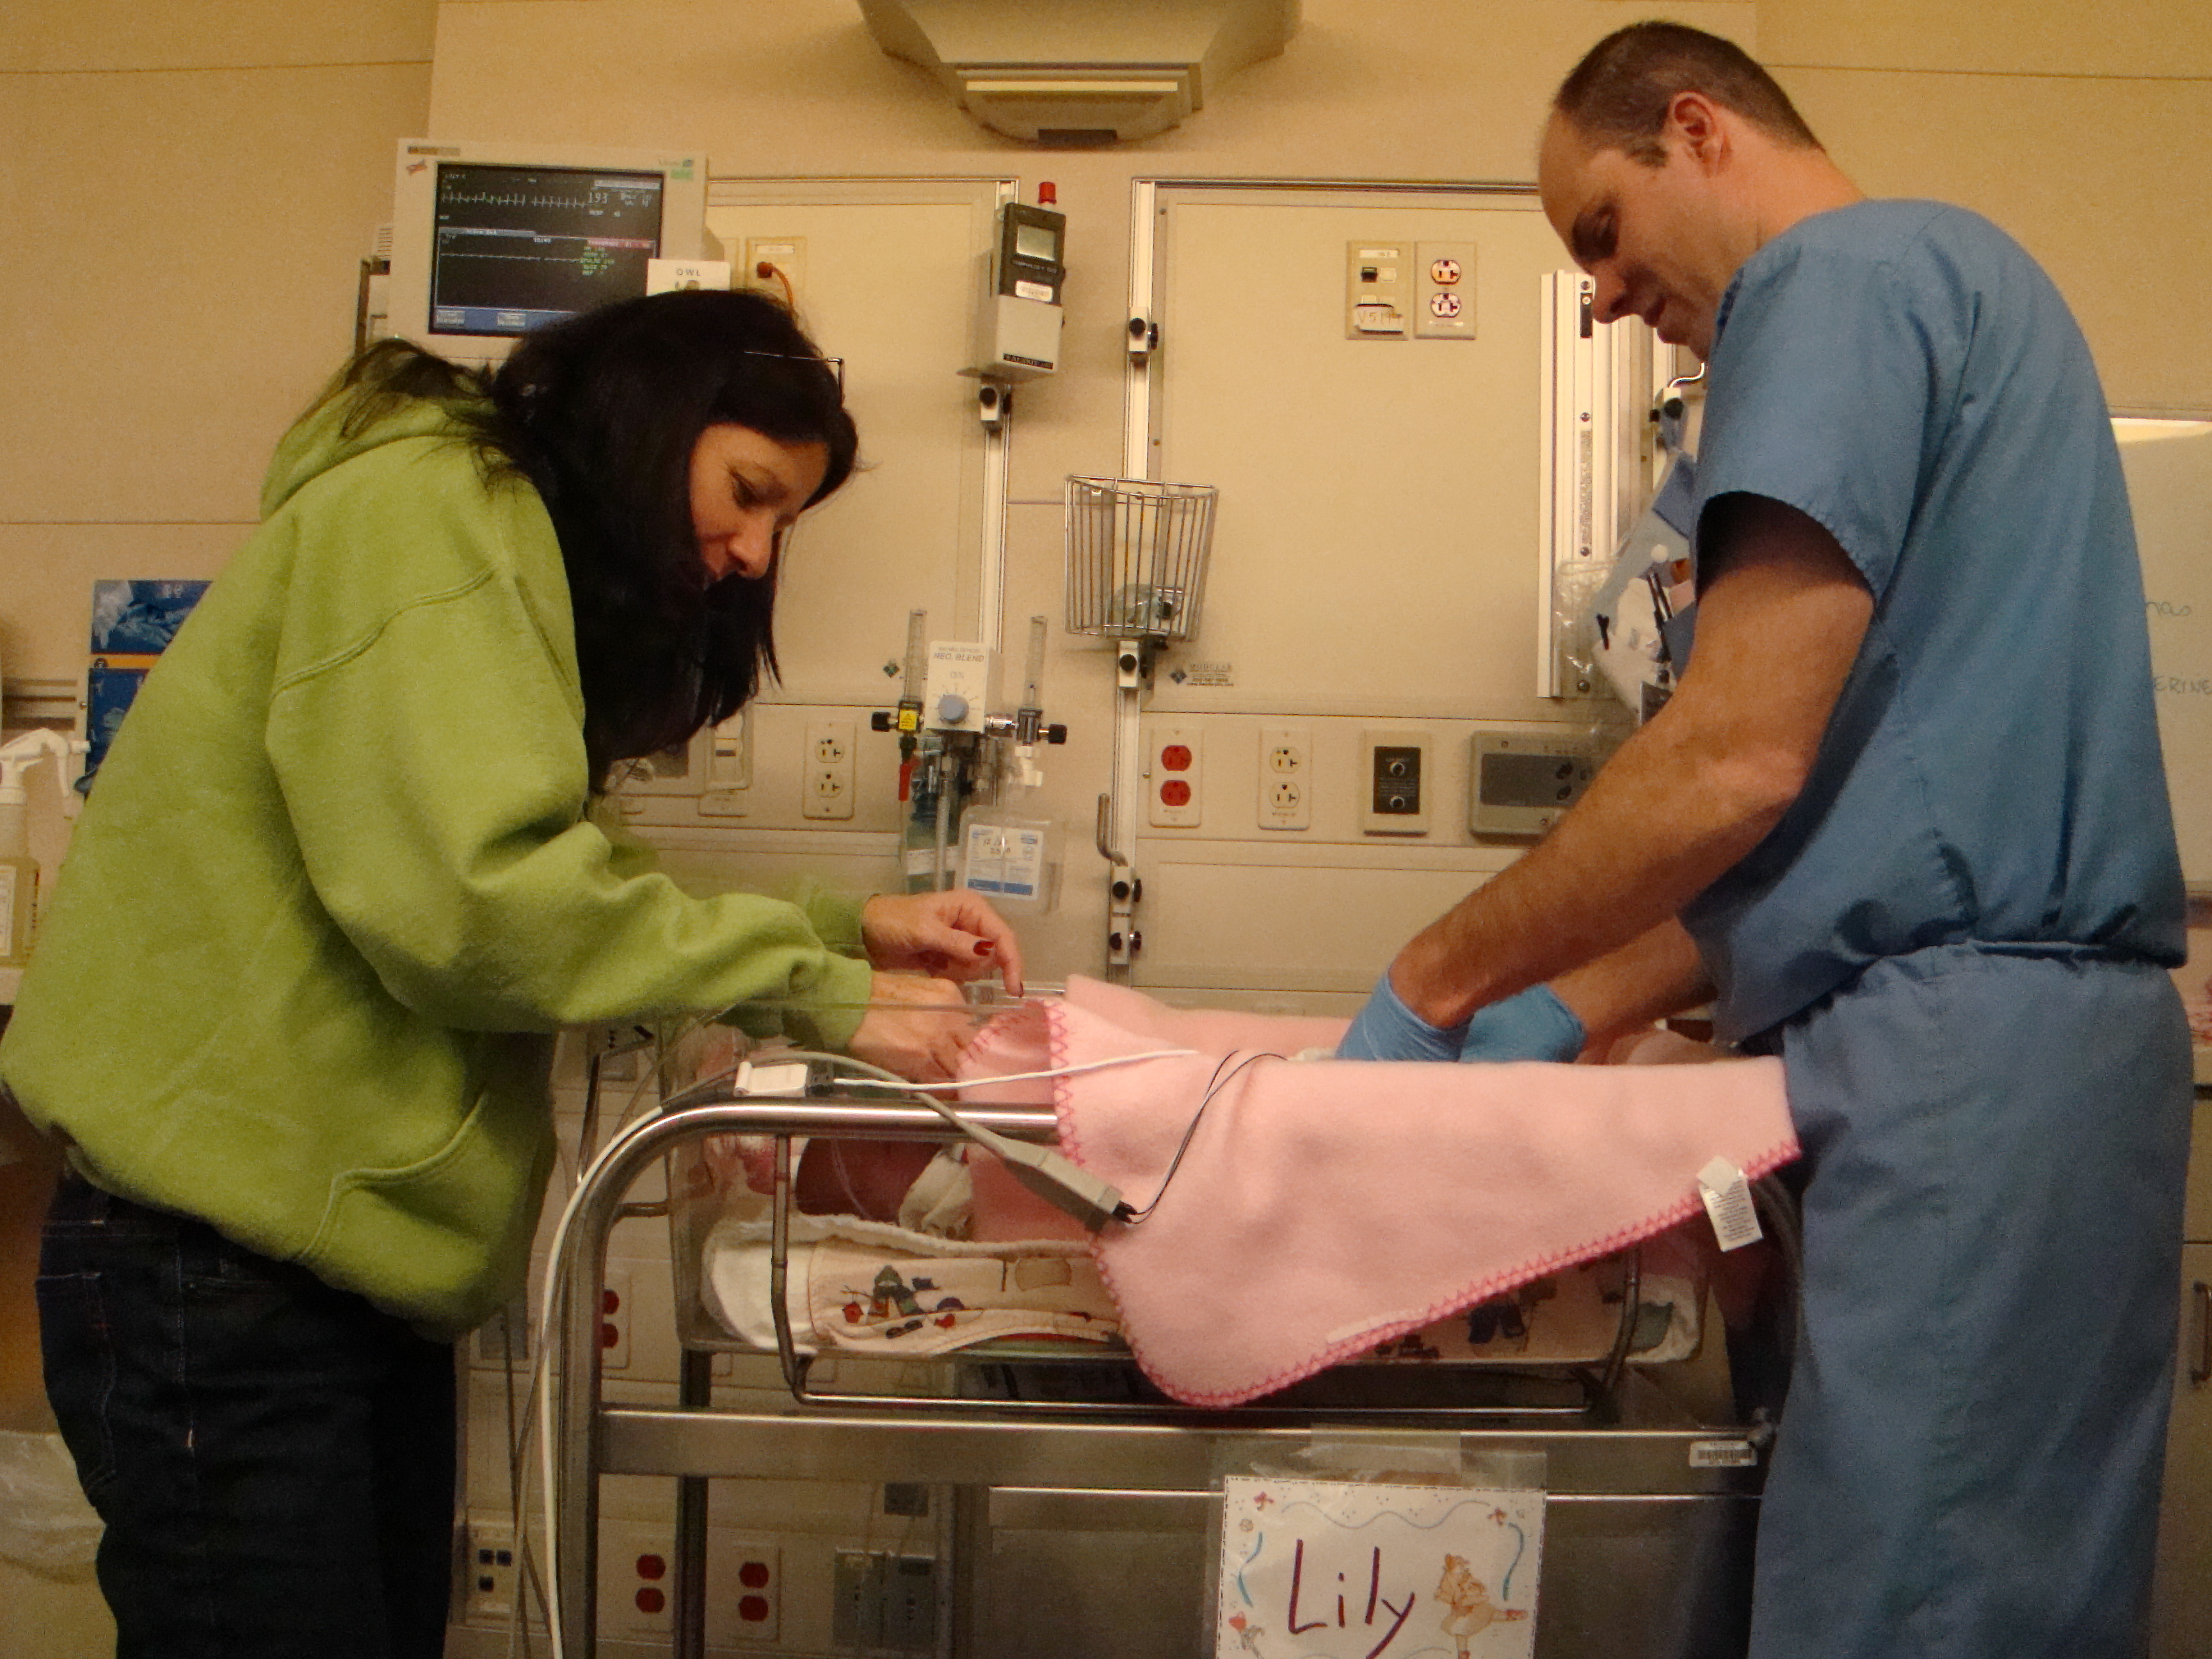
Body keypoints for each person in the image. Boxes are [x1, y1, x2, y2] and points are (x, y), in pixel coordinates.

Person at [2, 288, 1025, 1659]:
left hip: (321, 1261)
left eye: (783, 524)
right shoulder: (430, 514)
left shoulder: (485, 547)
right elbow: (480, 906)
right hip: (222, 1259)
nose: (751, 554)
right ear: (651, 416)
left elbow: (560, 871)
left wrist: (844, 929)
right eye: (749, 493)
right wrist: (821, 991)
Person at [1340, 22, 2192, 1659]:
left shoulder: (1838, 285)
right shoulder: (1947, 291)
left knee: (1919, 1612)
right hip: (1987, 1065)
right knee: (1916, 1580)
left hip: (1964, 1077)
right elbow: (1839, 820)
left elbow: (1731, 762)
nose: (1601, 294)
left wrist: (1433, 982)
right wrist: (1570, 1004)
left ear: (1699, 128)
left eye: (1603, 230)